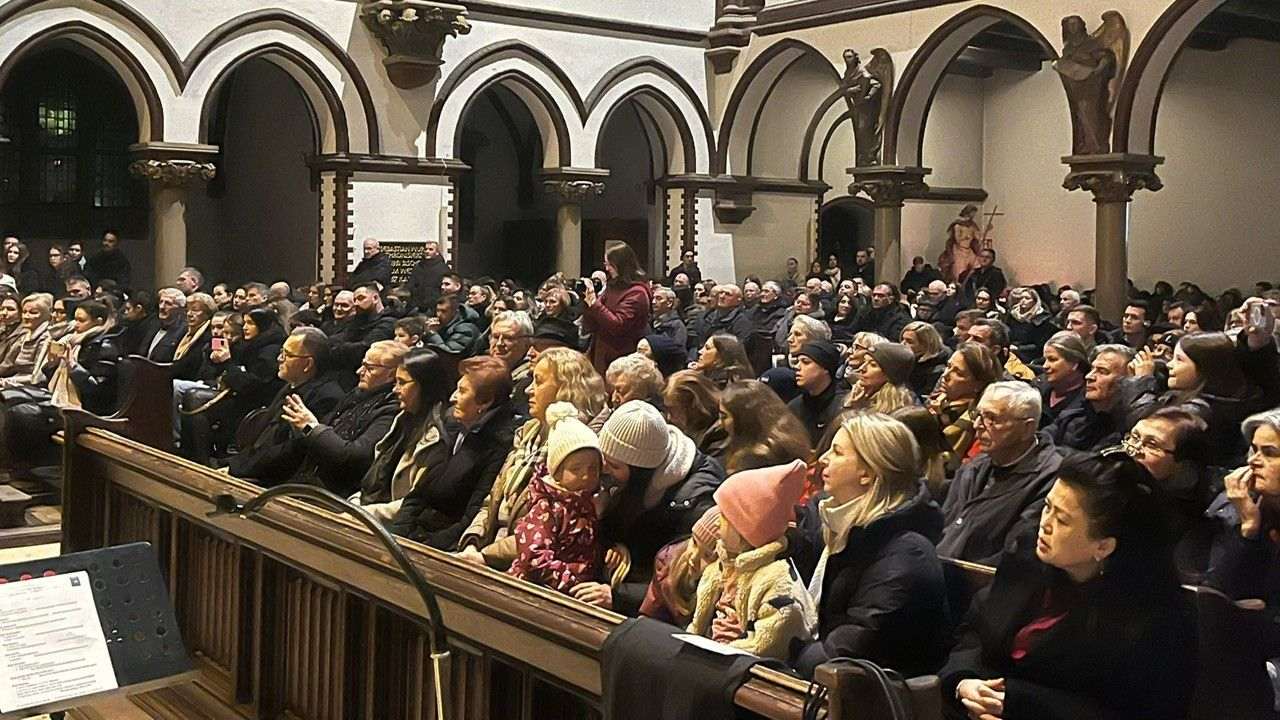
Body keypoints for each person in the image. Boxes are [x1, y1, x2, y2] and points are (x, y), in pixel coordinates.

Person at [941, 456, 1196, 720]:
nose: (1045, 524)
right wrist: (964, 682)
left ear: (1104, 547)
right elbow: (975, 633)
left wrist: (1018, 703)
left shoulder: (1159, 619)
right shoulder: (1028, 554)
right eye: (1047, 507)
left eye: (1062, 520)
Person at [791, 413, 950, 678]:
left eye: (838, 452)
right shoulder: (840, 524)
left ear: (867, 473)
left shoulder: (907, 554)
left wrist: (783, 649)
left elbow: (846, 651)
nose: (823, 459)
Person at [572, 400, 726, 614]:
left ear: (640, 469)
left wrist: (618, 597)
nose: (604, 470)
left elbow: (687, 581)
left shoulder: (695, 502)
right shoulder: (630, 479)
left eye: (614, 465)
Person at [458, 347, 607, 567]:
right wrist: (472, 541)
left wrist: (485, 556)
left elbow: (546, 529)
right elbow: (492, 499)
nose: (528, 390)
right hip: (484, 551)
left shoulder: (578, 451)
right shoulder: (528, 432)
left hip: (525, 563)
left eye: (538, 381)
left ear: (565, 389)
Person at [388, 355, 519, 549]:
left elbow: (471, 514)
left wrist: (423, 547)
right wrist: (396, 535)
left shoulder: (499, 444)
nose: (452, 398)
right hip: (414, 533)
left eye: (462, 391)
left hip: (441, 546)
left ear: (485, 402)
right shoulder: (454, 423)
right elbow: (419, 494)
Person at [687, 461, 813, 660]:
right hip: (711, 658)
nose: (717, 525)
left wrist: (717, 653)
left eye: (724, 517)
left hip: (746, 668)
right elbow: (698, 625)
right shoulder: (720, 568)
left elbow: (765, 644)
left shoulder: (777, 582)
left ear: (745, 530)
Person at [938, 382, 1062, 565]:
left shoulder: (1050, 479)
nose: (977, 425)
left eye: (991, 418)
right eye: (978, 415)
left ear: (1027, 428)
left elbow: (1015, 557)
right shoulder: (975, 465)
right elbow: (943, 524)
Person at [282, 340, 407, 496]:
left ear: (393, 374)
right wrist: (301, 427)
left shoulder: (392, 410)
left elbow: (354, 457)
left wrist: (311, 427)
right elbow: (321, 432)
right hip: (306, 482)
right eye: (363, 364)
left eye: (370, 368)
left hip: (334, 495)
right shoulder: (357, 394)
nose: (359, 371)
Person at [504, 403, 603, 593]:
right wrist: (572, 582)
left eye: (593, 468)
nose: (586, 476)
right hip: (535, 592)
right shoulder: (545, 507)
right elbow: (534, 559)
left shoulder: (589, 503)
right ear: (556, 472)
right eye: (575, 469)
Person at [225, 327, 346, 480]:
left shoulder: (326, 398)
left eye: (287, 355)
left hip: (272, 481)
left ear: (308, 364)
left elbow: (288, 454)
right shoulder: (292, 385)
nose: (279, 359)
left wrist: (234, 469)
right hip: (251, 466)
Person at [354, 348, 455, 514]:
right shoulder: (403, 419)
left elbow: (413, 502)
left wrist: (361, 514)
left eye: (402, 382)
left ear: (424, 385)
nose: (395, 389)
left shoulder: (438, 435)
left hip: (386, 523)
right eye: (395, 382)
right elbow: (375, 479)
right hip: (365, 508)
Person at [581, 241, 651, 375]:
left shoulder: (637, 293)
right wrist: (586, 302)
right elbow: (591, 325)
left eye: (609, 264)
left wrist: (595, 304)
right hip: (601, 354)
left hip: (622, 357)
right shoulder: (612, 287)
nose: (606, 269)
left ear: (621, 264)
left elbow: (617, 325)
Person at [719, 380, 813, 475]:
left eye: (724, 416)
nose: (720, 423)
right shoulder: (790, 438)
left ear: (744, 418)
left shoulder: (754, 459)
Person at [1048, 344, 1130, 452]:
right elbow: (1042, 439)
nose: (1089, 376)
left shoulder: (1129, 429)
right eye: (1092, 369)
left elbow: (1092, 463)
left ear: (1128, 379)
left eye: (1102, 371)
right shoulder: (1074, 413)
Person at [663, 370, 728, 464]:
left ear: (694, 405)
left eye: (673, 410)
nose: (669, 417)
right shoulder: (694, 426)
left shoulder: (721, 432)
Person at [787, 340, 844, 445]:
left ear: (825, 368)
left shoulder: (844, 406)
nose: (797, 367)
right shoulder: (794, 407)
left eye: (806, 362)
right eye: (797, 362)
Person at [843, 342, 917, 414]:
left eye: (873, 365)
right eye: (864, 361)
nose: (862, 368)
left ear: (890, 374)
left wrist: (857, 411)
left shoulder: (900, 412)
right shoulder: (857, 395)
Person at [1037, 331, 1088, 429]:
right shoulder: (1037, 387)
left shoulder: (1089, 401)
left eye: (1052, 360)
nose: (1045, 366)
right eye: (1045, 360)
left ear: (1074, 363)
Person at [0, 293, 52, 388]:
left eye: (33, 312)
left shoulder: (46, 338)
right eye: (24, 312)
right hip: (13, 383)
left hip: (31, 389)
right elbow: (8, 363)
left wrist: (8, 381)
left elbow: (38, 377)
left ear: (45, 315)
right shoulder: (26, 336)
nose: (26, 316)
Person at [1005, 287, 1057, 362]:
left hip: (1031, 355)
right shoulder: (1012, 314)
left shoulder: (1042, 318)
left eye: (1027, 298)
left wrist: (1018, 348)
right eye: (1021, 298)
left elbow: (1040, 344)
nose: (1023, 301)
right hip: (1010, 350)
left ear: (1034, 301)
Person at [902, 320, 950, 398]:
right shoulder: (906, 360)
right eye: (903, 339)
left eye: (909, 342)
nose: (903, 344)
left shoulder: (938, 370)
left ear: (925, 344)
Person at [406, 240, 449, 313]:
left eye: (431, 249)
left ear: (437, 252)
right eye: (425, 249)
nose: (427, 251)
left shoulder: (443, 269)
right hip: (417, 306)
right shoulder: (418, 267)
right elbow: (411, 285)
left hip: (434, 307)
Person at [650, 286, 688, 351]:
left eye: (658, 298)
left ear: (669, 303)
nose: (653, 302)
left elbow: (678, 351)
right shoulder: (650, 321)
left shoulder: (677, 326)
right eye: (653, 298)